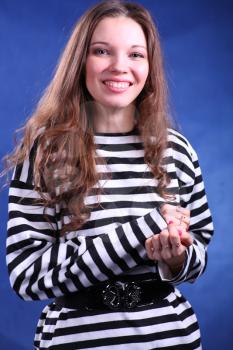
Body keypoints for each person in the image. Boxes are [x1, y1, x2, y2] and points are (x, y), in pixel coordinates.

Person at [4, 1, 213, 349]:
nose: (120, 67)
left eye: (135, 54)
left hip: (173, 338)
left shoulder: (177, 150)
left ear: (150, 67)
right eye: (102, 51)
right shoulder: (45, 153)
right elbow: (28, 277)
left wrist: (176, 258)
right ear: (80, 61)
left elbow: (199, 252)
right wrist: (142, 231)